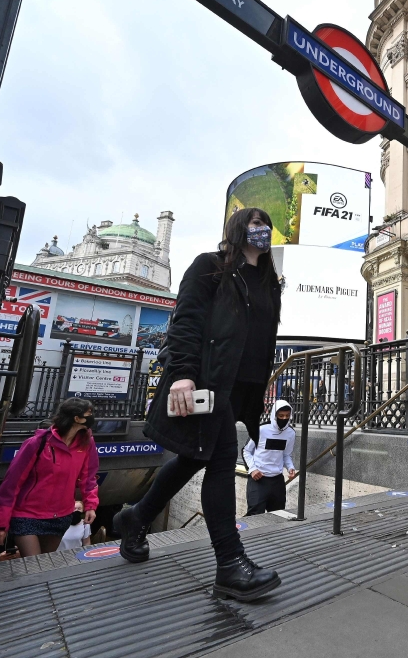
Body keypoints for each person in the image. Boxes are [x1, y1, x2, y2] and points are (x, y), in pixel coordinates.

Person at [113, 207, 282, 603]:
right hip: (209, 380)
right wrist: (185, 372)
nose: (263, 231)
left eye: (267, 226)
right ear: (239, 229)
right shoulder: (209, 266)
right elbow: (186, 319)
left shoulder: (270, 281)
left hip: (242, 386)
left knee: (196, 457)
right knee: (222, 460)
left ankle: (135, 517)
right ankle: (230, 564)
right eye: (256, 224)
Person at [0, 398, 99, 557]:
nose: (93, 417)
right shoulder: (37, 443)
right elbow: (11, 483)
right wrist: (0, 524)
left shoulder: (86, 443)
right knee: (34, 563)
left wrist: (90, 505)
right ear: (76, 418)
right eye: (89, 414)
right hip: (27, 515)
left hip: (60, 516)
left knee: (44, 565)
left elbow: (89, 477)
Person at [243, 400, 296, 515]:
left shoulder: (290, 433)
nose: (284, 418)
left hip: (277, 481)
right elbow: (246, 450)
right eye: (281, 416)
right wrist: (252, 469)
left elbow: (286, 454)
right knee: (255, 516)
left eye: (287, 416)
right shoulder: (261, 429)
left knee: (278, 514)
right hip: (258, 480)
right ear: (274, 414)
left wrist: (290, 467)